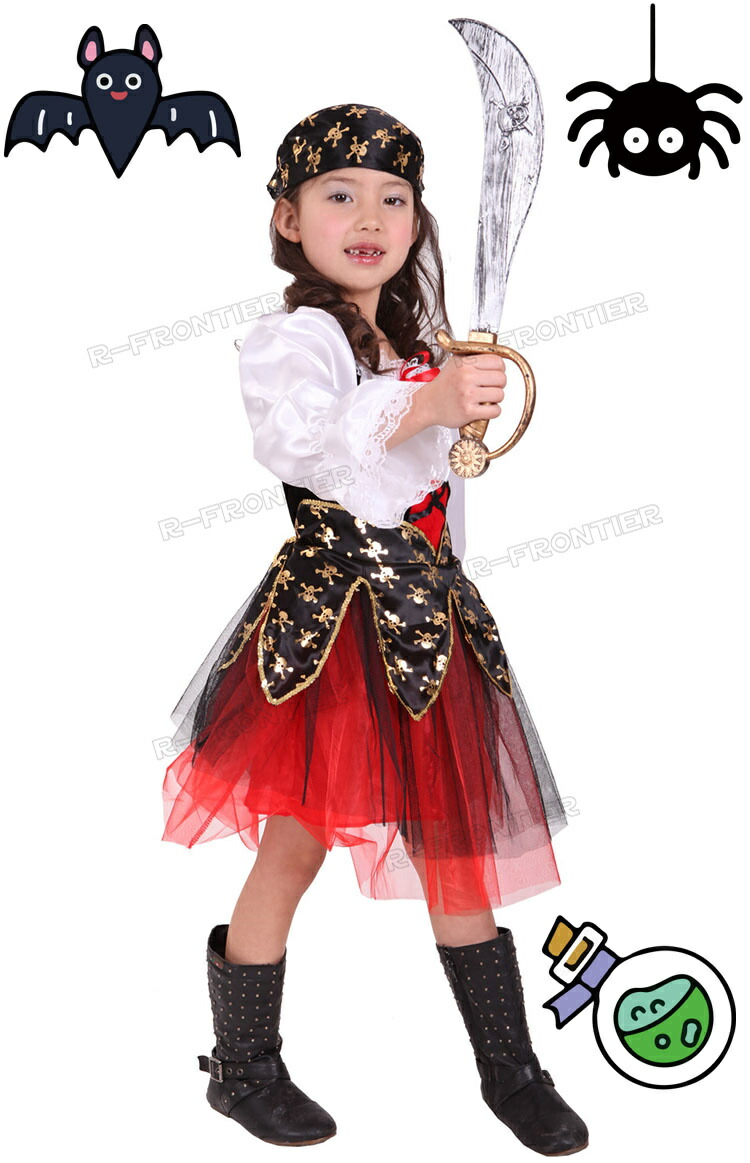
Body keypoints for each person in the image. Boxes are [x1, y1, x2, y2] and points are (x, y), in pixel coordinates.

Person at [161, 103, 589, 1155]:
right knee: (293, 847)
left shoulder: (415, 343)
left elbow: (425, 485)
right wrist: (426, 402)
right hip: (330, 632)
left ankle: (510, 1069)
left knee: (457, 848)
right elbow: (308, 445)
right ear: (288, 220)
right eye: (340, 195)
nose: (370, 217)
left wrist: (456, 408)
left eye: (394, 199)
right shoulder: (294, 340)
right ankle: (242, 1067)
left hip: (427, 622)